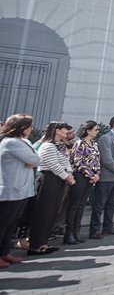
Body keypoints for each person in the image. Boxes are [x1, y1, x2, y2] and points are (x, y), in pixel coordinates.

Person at [0, 113, 40, 267]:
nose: (31, 129)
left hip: (21, 190)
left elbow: (35, 159)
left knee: (12, 222)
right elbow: (34, 159)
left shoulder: (22, 142)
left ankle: (4, 252)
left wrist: (31, 160)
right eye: (29, 126)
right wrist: (31, 160)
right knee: (4, 223)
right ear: (21, 127)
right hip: (11, 189)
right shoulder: (11, 143)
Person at [30, 122, 75, 254]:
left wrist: (69, 173)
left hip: (58, 180)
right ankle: (36, 244)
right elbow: (53, 165)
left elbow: (66, 161)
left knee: (52, 211)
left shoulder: (59, 146)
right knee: (44, 211)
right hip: (49, 179)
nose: (67, 131)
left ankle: (44, 242)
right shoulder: (47, 145)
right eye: (64, 129)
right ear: (56, 131)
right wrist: (67, 176)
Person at [89, 115, 114, 239]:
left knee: (112, 204)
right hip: (107, 178)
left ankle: (108, 227)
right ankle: (94, 230)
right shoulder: (106, 138)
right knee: (99, 205)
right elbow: (107, 159)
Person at [64, 121, 100, 244]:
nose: (97, 131)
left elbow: (97, 160)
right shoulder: (79, 143)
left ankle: (77, 232)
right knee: (74, 205)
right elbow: (78, 161)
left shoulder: (94, 144)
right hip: (80, 176)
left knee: (81, 205)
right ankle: (69, 234)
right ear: (88, 130)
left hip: (91, 178)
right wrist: (90, 174)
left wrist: (96, 174)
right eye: (95, 129)